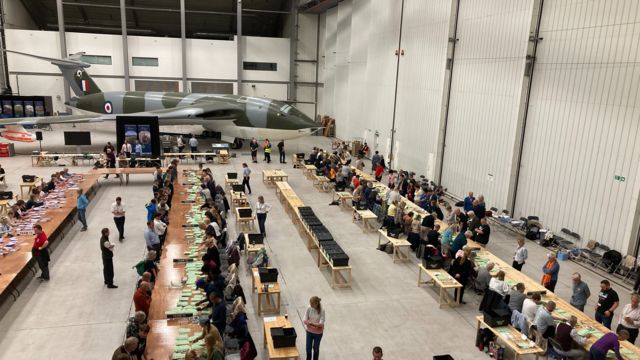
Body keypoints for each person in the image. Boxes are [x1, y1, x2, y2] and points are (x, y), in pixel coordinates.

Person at [304, 296, 325, 360]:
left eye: (312, 304)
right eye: (310, 303)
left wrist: (311, 323)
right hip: (309, 332)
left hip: (318, 334)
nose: (310, 305)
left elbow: (321, 324)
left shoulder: (322, 310)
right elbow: (305, 319)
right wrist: (313, 325)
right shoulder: (309, 307)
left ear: (316, 304)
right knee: (308, 348)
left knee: (315, 349)